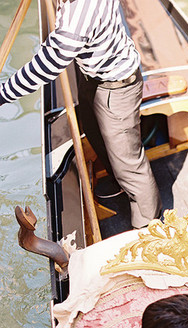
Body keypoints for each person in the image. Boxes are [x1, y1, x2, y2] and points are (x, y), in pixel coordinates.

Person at [0, 0, 161, 228]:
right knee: (94, 134)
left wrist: (3, 94)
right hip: (93, 75)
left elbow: (49, 62)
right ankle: (118, 183)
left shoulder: (77, 21)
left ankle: (149, 226)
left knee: (129, 166)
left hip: (117, 86)